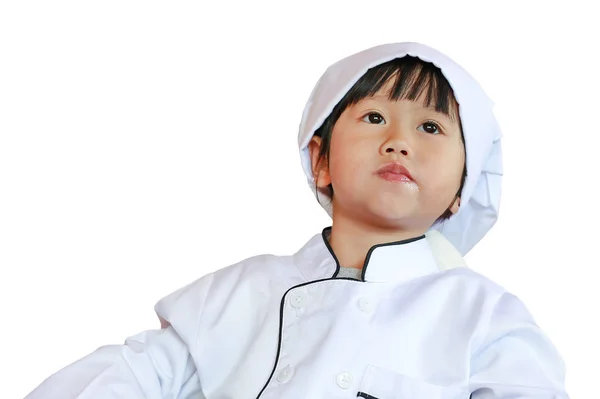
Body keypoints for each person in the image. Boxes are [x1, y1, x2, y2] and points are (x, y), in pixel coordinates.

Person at [25, 42, 570, 398]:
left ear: (461, 190)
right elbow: (134, 377)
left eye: (431, 129)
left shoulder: (486, 316)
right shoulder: (239, 293)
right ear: (321, 159)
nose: (399, 142)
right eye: (374, 117)